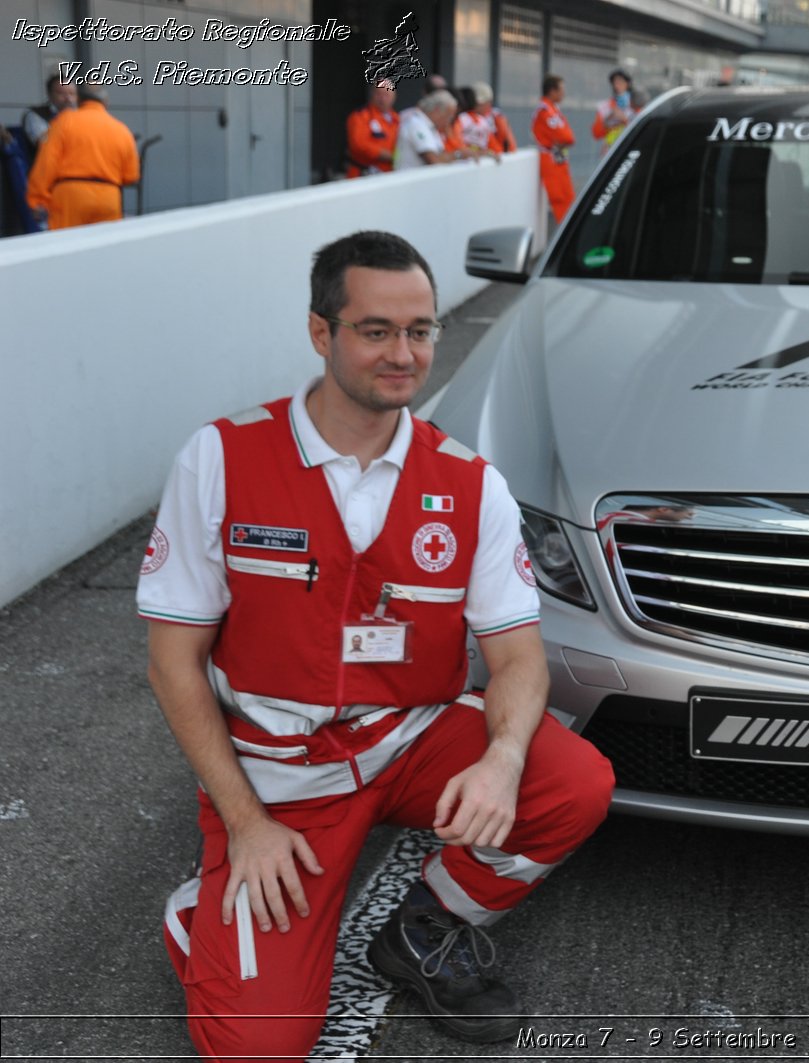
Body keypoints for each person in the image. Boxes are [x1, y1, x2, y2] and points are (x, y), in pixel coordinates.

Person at [138, 230, 614, 1061]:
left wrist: (501, 760)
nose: (404, 354)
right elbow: (172, 660)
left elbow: (517, 657)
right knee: (261, 1047)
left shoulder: (470, 482)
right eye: (376, 330)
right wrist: (246, 822)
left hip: (409, 738)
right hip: (280, 776)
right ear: (322, 333)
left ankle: (425, 925)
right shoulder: (221, 457)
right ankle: (203, 910)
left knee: (572, 781)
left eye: (421, 330)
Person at [24, 85, 138, 231]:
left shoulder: (63, 122)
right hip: (109, 197)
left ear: (78, 100)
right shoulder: (122, 130)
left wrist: (36, 200)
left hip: (71, 196)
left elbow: (47, 163)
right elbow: (131, 176)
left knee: (66, 247)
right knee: (104, 248)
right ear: (106, 102)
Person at [533, 74, 577, 222]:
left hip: (558, 158)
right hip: (550, 160)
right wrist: (565, 140)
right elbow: (566, 137)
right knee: (560, 199)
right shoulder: (545, 111)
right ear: (552, 91)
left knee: (568, 198)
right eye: (561, 90)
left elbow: (568, 136)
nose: (563, 93)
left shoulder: (553, 109)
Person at [344, 80, 400, 178]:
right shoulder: (360, 116)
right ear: (371, 95)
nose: (382, 98)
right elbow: (358, 145)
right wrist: (384, 154)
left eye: (386, 94)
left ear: (394, 96)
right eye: (378, 94)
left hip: (389, 175)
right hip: (363, 175)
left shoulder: (398, 119)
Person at [395, 90, 462, 169]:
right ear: (437, 110)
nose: (449, 122)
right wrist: (459, 155)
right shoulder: (417, 124)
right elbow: (434, 160)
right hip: (409, 179)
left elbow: (442, 154)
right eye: (449, 116)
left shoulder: (430, 126)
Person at [21, 74, 77, 157]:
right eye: (61, 93)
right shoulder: (35, 115)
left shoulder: (81, 114)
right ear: (49, 94)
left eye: (72, 94)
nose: (68, 98)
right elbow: (43, 143)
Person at [592, 68, 639, 156]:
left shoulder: (636, 105)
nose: (617, 85)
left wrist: (625, 120)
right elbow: (596, 133)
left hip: (630, 151)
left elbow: (641, 130)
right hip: (610, 154)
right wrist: (607, 120)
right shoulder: (605, 106)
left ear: (628, 84)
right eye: (614, 82)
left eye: (620, 82)